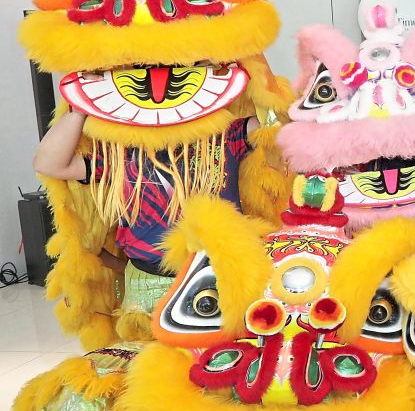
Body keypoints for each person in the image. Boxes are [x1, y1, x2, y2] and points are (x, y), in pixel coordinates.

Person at [32, 108, 258, 312]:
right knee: (148, 354)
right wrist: (81, 108)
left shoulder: (224, 137)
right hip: (149, 284)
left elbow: (275, 125)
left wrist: (251, 72)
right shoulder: (120, 156)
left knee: (224, 354)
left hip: (221, 275)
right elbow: (49, 163)